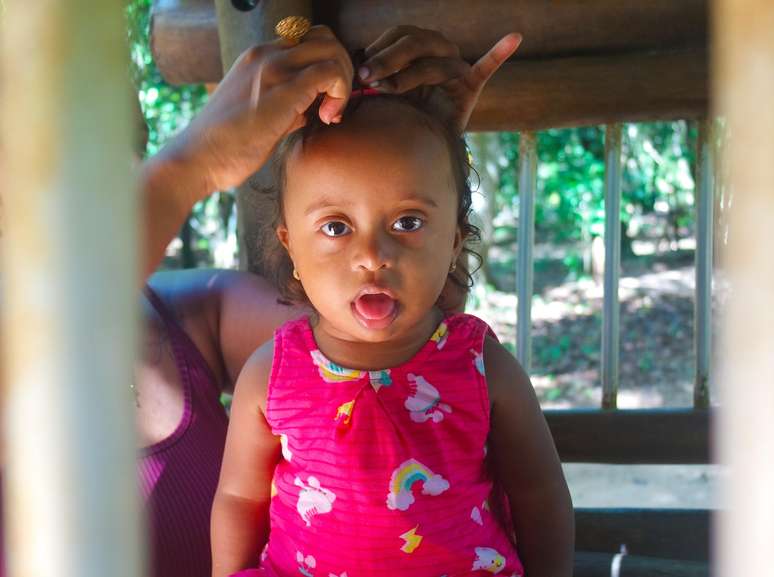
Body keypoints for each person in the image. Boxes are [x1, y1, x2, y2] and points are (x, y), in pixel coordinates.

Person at [134, 25, 525, 577]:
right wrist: (189, 166)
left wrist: (409, 160)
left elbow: (401, 346)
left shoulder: (206, 313)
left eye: (132, 147)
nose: (370, 254)